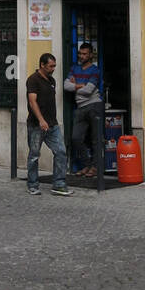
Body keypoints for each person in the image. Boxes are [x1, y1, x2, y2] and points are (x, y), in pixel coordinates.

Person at [26, 53, 72, 197]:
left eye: (54, 66)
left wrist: (51, 121)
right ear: (42, 65)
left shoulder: (51, 80)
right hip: (36, 124)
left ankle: (59, 184)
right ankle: (32, 185)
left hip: (52, 124)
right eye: (51, 66)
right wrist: (41, 119)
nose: (53, 69)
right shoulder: (33, 80)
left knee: (61, 152)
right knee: (34, 155)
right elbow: (32, 101)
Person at [64, 41, 104, 177]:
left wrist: (75, 86)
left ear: (91, 55)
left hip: (94, 105)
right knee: (76, 138)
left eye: (85, 54)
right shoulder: (74, 68)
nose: (81, 56)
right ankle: (87, 165)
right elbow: (66, 86)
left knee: (96, 139)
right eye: (80, 53)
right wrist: (81, 86)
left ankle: (95, 167)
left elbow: (89, 90)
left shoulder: (95, 70)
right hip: (80, 107)